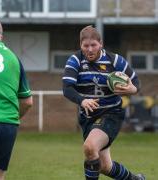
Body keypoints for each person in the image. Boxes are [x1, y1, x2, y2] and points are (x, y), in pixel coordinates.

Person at [62, 25, 145, 180]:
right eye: (85, 46)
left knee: (90, 146)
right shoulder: (75, 60)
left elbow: (136, 83)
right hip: (88, 117)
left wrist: (132, 90)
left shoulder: (115, 60)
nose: (90, 49)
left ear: (101, 44)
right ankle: (135, 179)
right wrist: (82, 100)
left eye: (93, 45)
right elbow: (67, 88)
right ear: (80, 45)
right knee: (104, 166)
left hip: (111, 113)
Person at [0, 17, 33, 180]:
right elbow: (27, 102)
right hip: (7, 127)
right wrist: (11, 118)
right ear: (1, 37)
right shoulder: (14, 59)